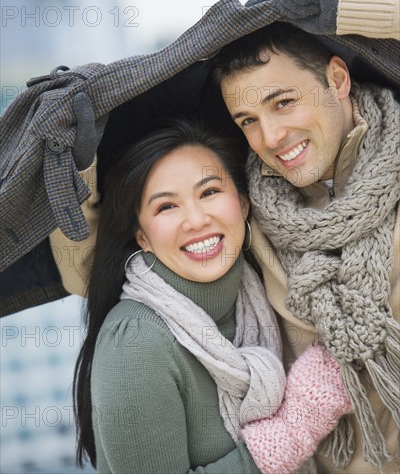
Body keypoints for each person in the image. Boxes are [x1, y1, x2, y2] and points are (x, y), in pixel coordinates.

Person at [73, 120, 351, 473]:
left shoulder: (266, 289)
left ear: (244, 203)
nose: (196, 219)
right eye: (166, 207)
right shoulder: (136, 340)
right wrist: (291, 431)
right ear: (142, 236)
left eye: (209, 192)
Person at [214, 15, 399, 474]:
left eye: (284, 102)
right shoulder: (248, 213)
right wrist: (83, 167)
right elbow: (123, 267)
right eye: (248, 121)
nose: (270, 138)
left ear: (337, 80)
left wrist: (347, 5)